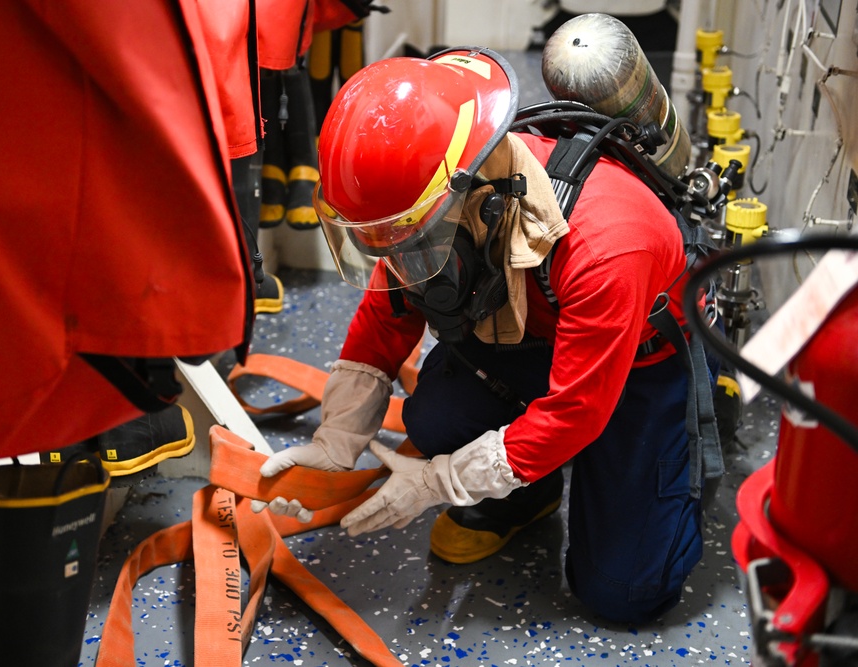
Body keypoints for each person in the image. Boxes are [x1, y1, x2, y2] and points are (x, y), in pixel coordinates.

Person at [253, 46, 719, 625]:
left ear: (478, 194)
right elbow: (384, 318)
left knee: (622, 595)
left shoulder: (608, 243)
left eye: (409, 242)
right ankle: (529, 493)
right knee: (436, 418)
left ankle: (635, 481)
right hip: (533, 340)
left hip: (634, 370)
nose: (400, 258)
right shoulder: (421, 210)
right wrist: (336, 442)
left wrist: (438, 481)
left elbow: (576, 410)